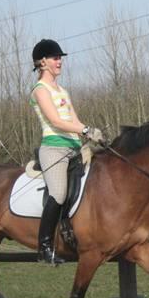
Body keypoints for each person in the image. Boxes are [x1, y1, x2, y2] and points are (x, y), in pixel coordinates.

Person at [30, 38, 105, 265]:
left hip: (75, 147)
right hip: (53, 148)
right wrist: (85, 129)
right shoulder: (40, 91)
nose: (59, 61)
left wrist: (91, 135)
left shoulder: (63, 91)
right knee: (59, 193)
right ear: (43, 62)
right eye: (55, 57)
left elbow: (73, 120)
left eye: (60, 58)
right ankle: (44, 246)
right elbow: (56, 121)